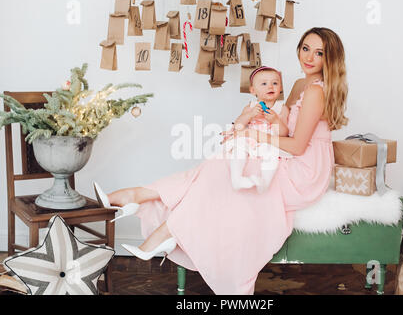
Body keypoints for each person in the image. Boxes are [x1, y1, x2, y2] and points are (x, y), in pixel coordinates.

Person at [94, 27, 349, 294]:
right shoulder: (299, 84)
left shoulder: (316, 91)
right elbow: (283, 128)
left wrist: (251, 135)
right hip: (285, 152)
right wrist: (250, 128)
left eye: (319, 53)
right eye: (305, 48)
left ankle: (144, 206)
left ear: (329, 59)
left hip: (304, 170)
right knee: (222, 164)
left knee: (226, 168)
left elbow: (297, 146)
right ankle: (149, 210)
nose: (309, 57)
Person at [221, 66, 291, 193]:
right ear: (253, 90)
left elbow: (285, 134)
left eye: (275, 83)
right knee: (239, 148)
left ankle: (265, 183)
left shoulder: (282, 108)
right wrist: (250, 115)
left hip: (269, 141)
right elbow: (238, 126)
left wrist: (276, 120)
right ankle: (236, 179)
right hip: (250, 139)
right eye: (264, 83)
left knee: (272, 155)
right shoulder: (251, 106)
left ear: (280, 88)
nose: (270, 87)